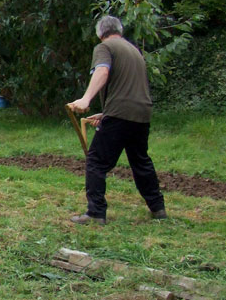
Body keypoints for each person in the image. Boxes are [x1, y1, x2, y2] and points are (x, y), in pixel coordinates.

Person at [67, 15, 166, 225]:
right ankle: (158, 208)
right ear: (118, 30)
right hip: (141, 113)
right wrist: (106, 114)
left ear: (100, 33)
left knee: (96, 160)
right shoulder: (133, 50)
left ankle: (95, 213)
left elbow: (102, 71)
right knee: (140, 161)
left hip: (121, 112)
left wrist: (86, 99)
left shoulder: (105, 47)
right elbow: (129, 87)